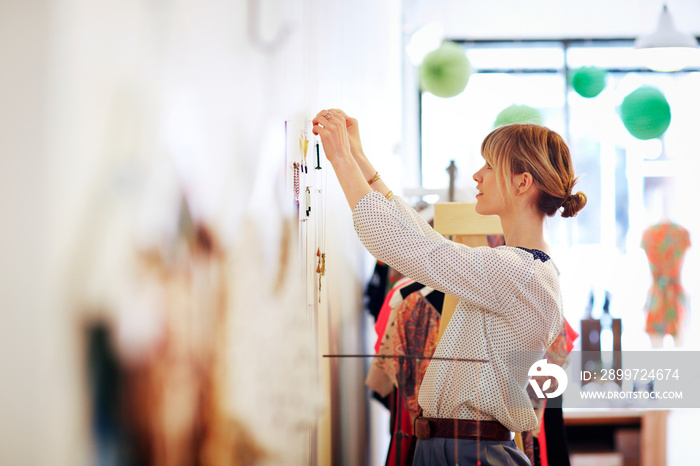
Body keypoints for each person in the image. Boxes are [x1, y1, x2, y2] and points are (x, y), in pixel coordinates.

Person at [312, 109, 586, 465]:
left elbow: (398, 243)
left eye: (489, 165)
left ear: (522, 182)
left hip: (470, 453)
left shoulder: (517, 272)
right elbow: (424, 239)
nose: (477, 175)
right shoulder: (520, 267)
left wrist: (339, 158)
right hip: (460, 448)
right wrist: (361, 161)